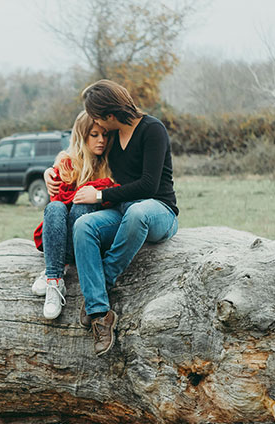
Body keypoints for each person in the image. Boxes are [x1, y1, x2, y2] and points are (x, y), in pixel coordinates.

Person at [71, 79, 179, 356]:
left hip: (157, 211)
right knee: (84, 225)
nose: (96, 123)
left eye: (97, 116)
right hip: (122, 211)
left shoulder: (152, 130)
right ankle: (99, 313)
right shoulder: (111, 137)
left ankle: (101, 284)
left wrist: (98, 197)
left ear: (109, 114)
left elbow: (148, 186)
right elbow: (80, 152)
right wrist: (51, 172)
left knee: (137, 211)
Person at [31, 111, 117, 320]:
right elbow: (56, 199)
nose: (101, 140)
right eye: (94, 135)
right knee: (55, 208)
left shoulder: (111, 163)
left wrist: (94, 194)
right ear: (82, 135)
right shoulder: (67, 162)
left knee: (81, 207)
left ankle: (56, 267)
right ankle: (54, 280)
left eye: (104, 135)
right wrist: (48, 172)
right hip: (61, 232)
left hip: (89, 238)